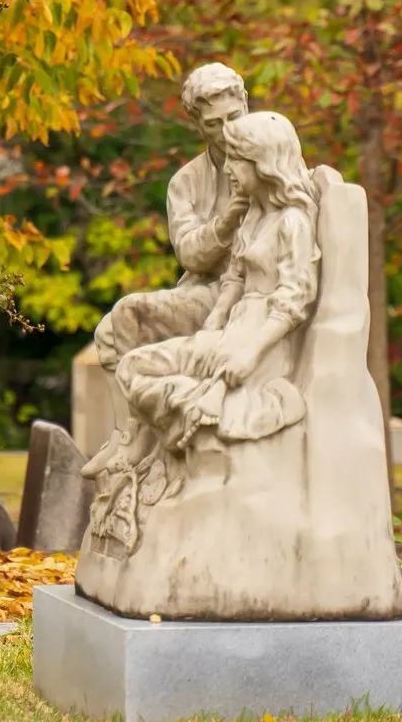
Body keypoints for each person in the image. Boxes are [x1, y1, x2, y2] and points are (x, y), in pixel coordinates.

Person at [85, 111, 321, 554]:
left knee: (172, 377)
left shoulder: (292, 222)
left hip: (263, 343)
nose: (228, 169)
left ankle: (182, 433)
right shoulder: (251, 217)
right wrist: (210, 331)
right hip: (230, 330)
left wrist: (248, 351)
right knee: (136, 364)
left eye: (237, 160)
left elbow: (294, 299)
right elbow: (231, 279)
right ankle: (171, 424)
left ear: (263, 163)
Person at [91, 62, 252, 371]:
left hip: (252, 291)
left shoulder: (273, 158)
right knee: (110, 330)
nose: (228, 131)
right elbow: (191, 256)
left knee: (127, 314)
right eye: (214, 123)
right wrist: (229, 219)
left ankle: (142, 415)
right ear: (197, 123)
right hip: (206, 290)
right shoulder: (185, 181)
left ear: (245, 101)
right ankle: (138, 418)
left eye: (234, 116)